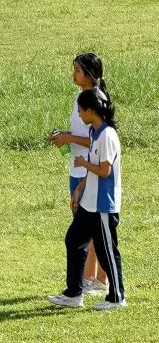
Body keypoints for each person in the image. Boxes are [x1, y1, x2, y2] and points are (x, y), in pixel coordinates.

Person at [48, 89, 125, 312]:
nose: (79, 115)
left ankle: (117, 296)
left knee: (106, 251)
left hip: (103, 204)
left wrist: (83, 164)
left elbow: (104, 169)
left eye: (81, 111)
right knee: (73, 240)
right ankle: (74, 293)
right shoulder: (94, 132)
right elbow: (94, 163)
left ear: (91, 111)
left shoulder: (108, 136)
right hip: (88, 202)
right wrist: (80, 187)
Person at [48, 53, 112, 298]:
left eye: (77, 70)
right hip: (77, 168)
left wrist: (70, 138)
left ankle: (95, 279)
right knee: (86, 225)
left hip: (89, 168)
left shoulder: (97, 99)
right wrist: (65, 135)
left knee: (89, 226)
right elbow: (82, 132)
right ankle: (91, 279)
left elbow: (98, 136)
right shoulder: (81, 96)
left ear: (89, 74)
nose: (73, 74)